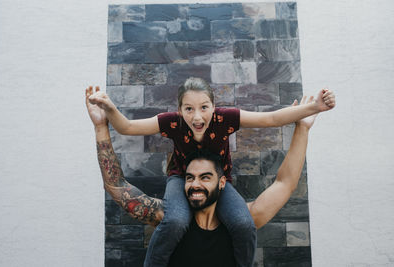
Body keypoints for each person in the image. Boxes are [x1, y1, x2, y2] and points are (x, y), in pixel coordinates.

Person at [86, 78, 335, 267]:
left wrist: (312, 110)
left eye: (204, 107)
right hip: (176, 177)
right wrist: (106, 114)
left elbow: (272, 120)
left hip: (223, 192)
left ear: (214, 107)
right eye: (189, 109)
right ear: (180, 110)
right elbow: (126, 130)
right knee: (175, 220)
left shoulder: (224, 120)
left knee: (243, 224)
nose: (197, 116)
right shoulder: (173, 125)